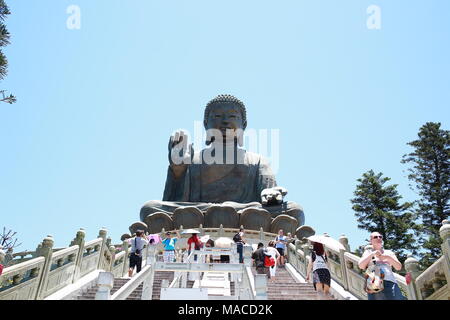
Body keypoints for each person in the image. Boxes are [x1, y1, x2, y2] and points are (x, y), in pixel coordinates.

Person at [358, 232, 405, 300]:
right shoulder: (368, 252)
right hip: (374, 282)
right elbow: (361, 266)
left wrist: (387, 257)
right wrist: (372, 254)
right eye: (375, 237)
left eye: (380, 237)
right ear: (371, 240)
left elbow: (398, 267)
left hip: (390, 282)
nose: (378, 238)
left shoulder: (389, 252)